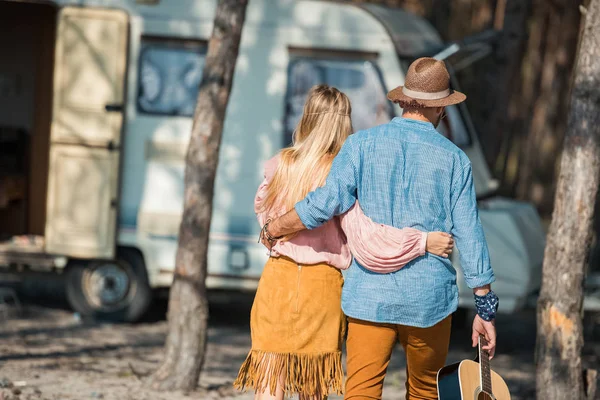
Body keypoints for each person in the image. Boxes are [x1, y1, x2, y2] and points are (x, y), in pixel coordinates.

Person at [261, 58, 499, 400]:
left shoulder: (359, 146)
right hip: (427, 300)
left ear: (402, 101)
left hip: (368, 296)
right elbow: (470, 234)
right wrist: (485, 310)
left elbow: (323, 204)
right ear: (441, 110)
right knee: (424, 392)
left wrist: (276, 227)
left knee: (361, 391)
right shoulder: (455, 160)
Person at [234, 84, 455, 400]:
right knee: (313, 385)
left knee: (270, 383)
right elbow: (367, 236)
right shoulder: (341, 172)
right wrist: (421, 241)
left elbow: (264, 218)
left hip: (276, 281)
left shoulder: (279, 163)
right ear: (343, 121)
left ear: (307, 118)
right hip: (322, 286)